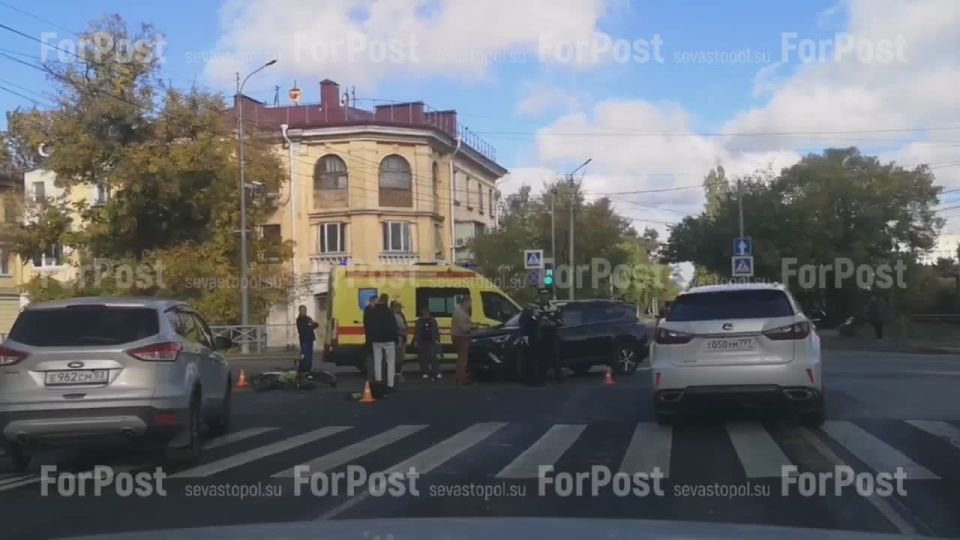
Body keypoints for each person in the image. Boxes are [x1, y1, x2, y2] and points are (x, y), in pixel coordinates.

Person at [367, 294, 399, 391]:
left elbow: (369, 326)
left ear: (379, 300)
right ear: (387, 300)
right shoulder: (389, 312)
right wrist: (396, 340)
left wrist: (370, 339)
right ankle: (390, 385)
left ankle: (378, 383)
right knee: (390, 363)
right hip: (389, 340)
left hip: (376, 340)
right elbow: (394, 326)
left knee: (377, 362)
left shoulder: (373, 312)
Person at [535, 288, 563, 382]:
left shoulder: (554, 307)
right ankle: (541, 376)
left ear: (549, 296)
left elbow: (560, 321)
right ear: (539, 296)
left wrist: (552, 323)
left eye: (546, 294)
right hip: (540, 336)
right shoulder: (536, 307)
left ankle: (558, 375)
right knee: (541, 357)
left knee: (555, 356)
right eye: (542, 295)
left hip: (552, 335)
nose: (544, 296)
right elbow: (530, 320)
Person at [414, 305, 441, 380]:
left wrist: (438, 340)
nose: (425, 314)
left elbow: (436, 331)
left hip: (431, 341)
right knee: (423, 358)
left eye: (426, 313)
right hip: (422, 341)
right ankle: (425, 372)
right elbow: (417, 332)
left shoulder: (433, 321)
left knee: (433, 357)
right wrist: (416, 340)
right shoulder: (419, 321)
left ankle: (436, 372)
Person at [451, 296, 473, 385]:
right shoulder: (461, 313)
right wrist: (472, 327)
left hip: (457, 336)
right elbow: (463, 328)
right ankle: (461, 379)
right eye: (470, 303)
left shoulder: (459, 311)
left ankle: (460, 377)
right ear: (465, 302)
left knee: (460, 358)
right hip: (461, 337)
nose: (470, 305)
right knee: (463, 359)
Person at [295, 305, 320, 374]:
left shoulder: (308, 318)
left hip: (310, 339)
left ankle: (309, 368)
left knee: (310, 355)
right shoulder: (299, 319)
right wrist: (310, 326)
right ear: (299, 311)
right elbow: (302, 329)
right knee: (304, 355)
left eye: (304, 310)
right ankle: (303, 368)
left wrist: (311, 325)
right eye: (302, 310)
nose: (303, 312)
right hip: (304, 340)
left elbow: (316, 325)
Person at [391, 301, 408, 385]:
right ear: (395, 307)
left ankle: (398, 372)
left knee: (401, 356)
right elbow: (394, 328)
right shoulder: (392, 316)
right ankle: (397, 374)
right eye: (399, 307)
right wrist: (401, 332)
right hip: (398, 338)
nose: (400, 309)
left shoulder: (400, 315)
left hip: (402, 338)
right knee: (397, 357)